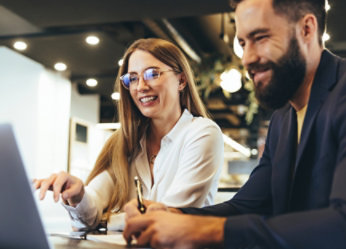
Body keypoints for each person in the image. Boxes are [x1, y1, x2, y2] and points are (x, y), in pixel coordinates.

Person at [123, 0, 346, 249]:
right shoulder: (283, 118)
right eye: (242, 43)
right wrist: (174, 215)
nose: (247, 58)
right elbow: (247, 206)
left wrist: (210, 231)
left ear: (307, 29)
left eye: (260, 38)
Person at [34, 38, 224, 230]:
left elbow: (169, 217)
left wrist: (104, 222)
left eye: (152, 74)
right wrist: (78, 195)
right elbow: (91, 208)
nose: (140, 86)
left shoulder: (202, 133)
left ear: (181, 80)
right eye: (132, 78)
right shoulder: (126, 143)